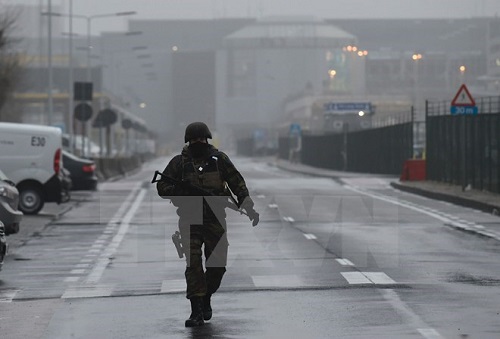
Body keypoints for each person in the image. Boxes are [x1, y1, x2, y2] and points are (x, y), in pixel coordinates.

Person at [156, 122, 259, 327]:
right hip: (189, 219)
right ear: (188, 141)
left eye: (201, 139)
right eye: (194, 140)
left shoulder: (219, 160)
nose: (198, 143)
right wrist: (183, 192)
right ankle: (196, 310)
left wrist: (248, 207)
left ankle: (206, 296)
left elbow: (237, 183)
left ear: (207, 139)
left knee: (217, 266)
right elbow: (162, 186)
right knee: (193, 265)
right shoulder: (179, 163)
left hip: (215, 219)